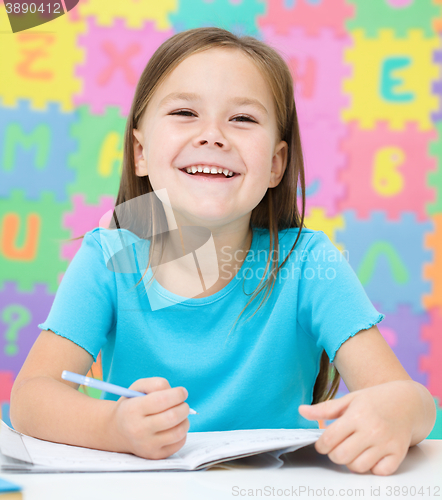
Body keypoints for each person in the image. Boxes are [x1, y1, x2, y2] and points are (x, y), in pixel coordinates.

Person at [10, 27, 436, 476]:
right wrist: (113, 426)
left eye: (243, 119)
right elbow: (31, 398)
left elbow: (412, 401)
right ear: (140, 151)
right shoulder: (108, 258)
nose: (212, 135)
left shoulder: (309, 263)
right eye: (184, 112)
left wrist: (397, 413)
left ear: (276, 163)